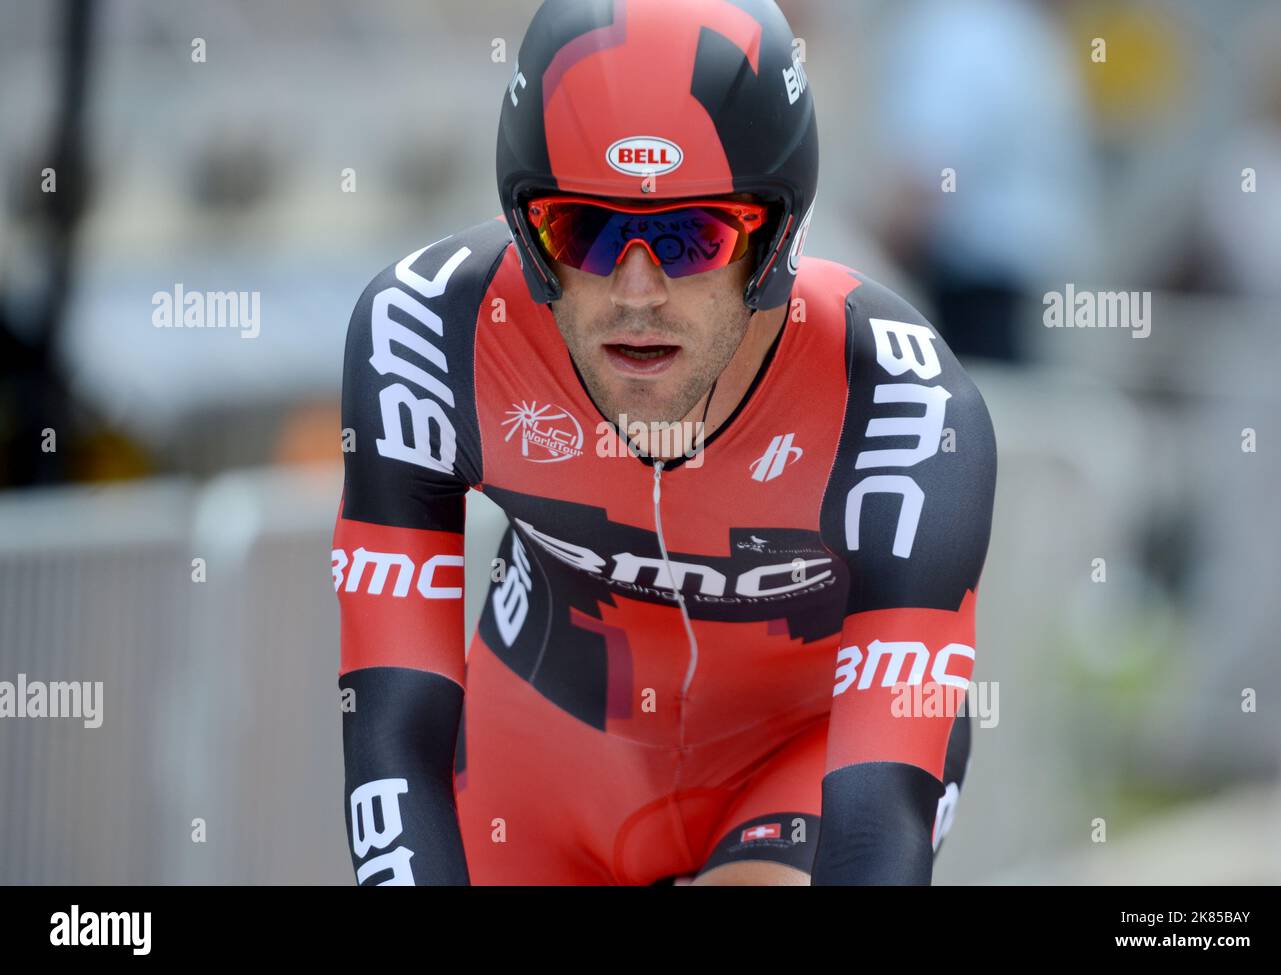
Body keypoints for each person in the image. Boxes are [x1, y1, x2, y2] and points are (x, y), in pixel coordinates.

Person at [333, 0, 996, 886]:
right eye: (586, 229)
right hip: (536, 773)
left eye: (692, 236)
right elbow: (391, 720)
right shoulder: (428, 334)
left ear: (772, 237)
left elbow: (880, 813)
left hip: (797, 767)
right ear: (529, 231)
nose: (637, 291)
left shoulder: (901, 406)